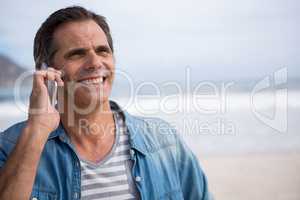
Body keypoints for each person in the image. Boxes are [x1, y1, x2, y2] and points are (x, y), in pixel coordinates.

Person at [0, 6, 211, 200]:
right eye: (77, 54)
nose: (95, 63)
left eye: (102, 51)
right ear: (46, 69)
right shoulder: (10, 148)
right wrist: (37, 130)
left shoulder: (164, 141)